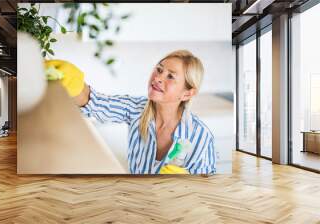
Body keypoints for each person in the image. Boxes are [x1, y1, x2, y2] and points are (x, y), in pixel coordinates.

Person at [45, 50, 216, 175]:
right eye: (159, 69)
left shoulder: (201, 137)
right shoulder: (136, 110)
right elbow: (95, 103)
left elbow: (207, 194)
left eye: (170, 76)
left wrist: (186, 187)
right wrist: (74, 82)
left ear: (187, 93)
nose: (158, 77)